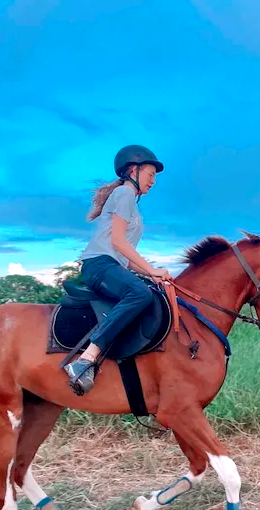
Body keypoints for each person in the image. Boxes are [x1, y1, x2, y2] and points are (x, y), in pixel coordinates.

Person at [64, 144, 172, 395]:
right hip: (98, 265)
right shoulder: (124, 194)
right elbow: (117, 243)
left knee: (147, 291)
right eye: (151, 174)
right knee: (140, 294)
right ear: (133, 170)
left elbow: (126, 258)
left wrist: (151, 272)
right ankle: (85, 359)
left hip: (111, 264)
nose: (153, 181)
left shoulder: (132, 204)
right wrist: (152, 270)